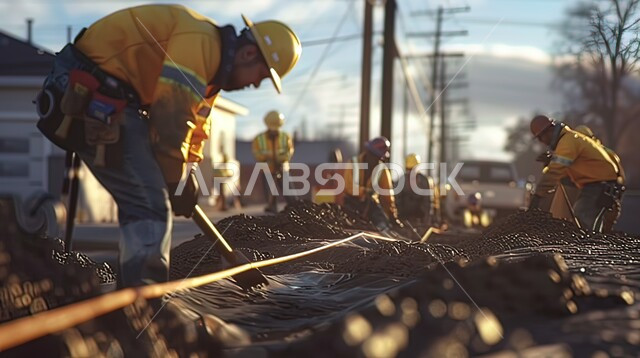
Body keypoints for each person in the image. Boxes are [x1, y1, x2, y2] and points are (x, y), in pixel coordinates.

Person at [35, 4, 301, 287]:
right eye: (261, 75)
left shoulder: (212, 72)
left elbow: (195, 127)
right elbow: (171, 115)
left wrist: (187, 173)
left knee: (146, 201)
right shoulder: (201, 42)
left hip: (120, 99)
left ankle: (133, 291)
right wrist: (175, 181)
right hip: (88, 87)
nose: (256, 85)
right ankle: (144, 303)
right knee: (149, 205)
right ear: (249, 54)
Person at [528, 115, 624, 233]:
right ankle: (592, 245)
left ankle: (588, 248)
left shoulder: (568, 141)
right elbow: (564, 175)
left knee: (582, 216)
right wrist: (550, 162)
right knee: (588, 223)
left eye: (540, 138)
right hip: (600, 185)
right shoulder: (569, 141)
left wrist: (538, 195)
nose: (541, 142)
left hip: (599, 186)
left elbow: (555, 171)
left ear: (549, 131)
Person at [342, 136, 401, 233]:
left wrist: (392, 215)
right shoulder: (353, 163)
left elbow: (387, 197)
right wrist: (364, 192)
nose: (378, 160)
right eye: (376, 157)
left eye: (380, 158)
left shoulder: (382, 170)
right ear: (369, 153)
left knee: (383, 225)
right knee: (347, 223)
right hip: (351, 202)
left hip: (371, 205)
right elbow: (348, 187)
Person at [252, 110, 295, 213]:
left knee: (291, 197)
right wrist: (268, 157)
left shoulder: (285, 137)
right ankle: (272, 213)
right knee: (271, 197)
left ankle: (295, 212)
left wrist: (281, 159)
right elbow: (257, 153)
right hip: (268, 170)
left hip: (282, 169)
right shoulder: (259, 138)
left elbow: (289, 151)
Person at [396, 153, 432, 225]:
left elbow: (427, 202)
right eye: (408, 169)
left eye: (412, 169)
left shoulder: (424, 181)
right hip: (404, 218)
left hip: (419, 218)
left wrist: (425, 221)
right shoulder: (401, 180)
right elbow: (397, 200)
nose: (410, 172)